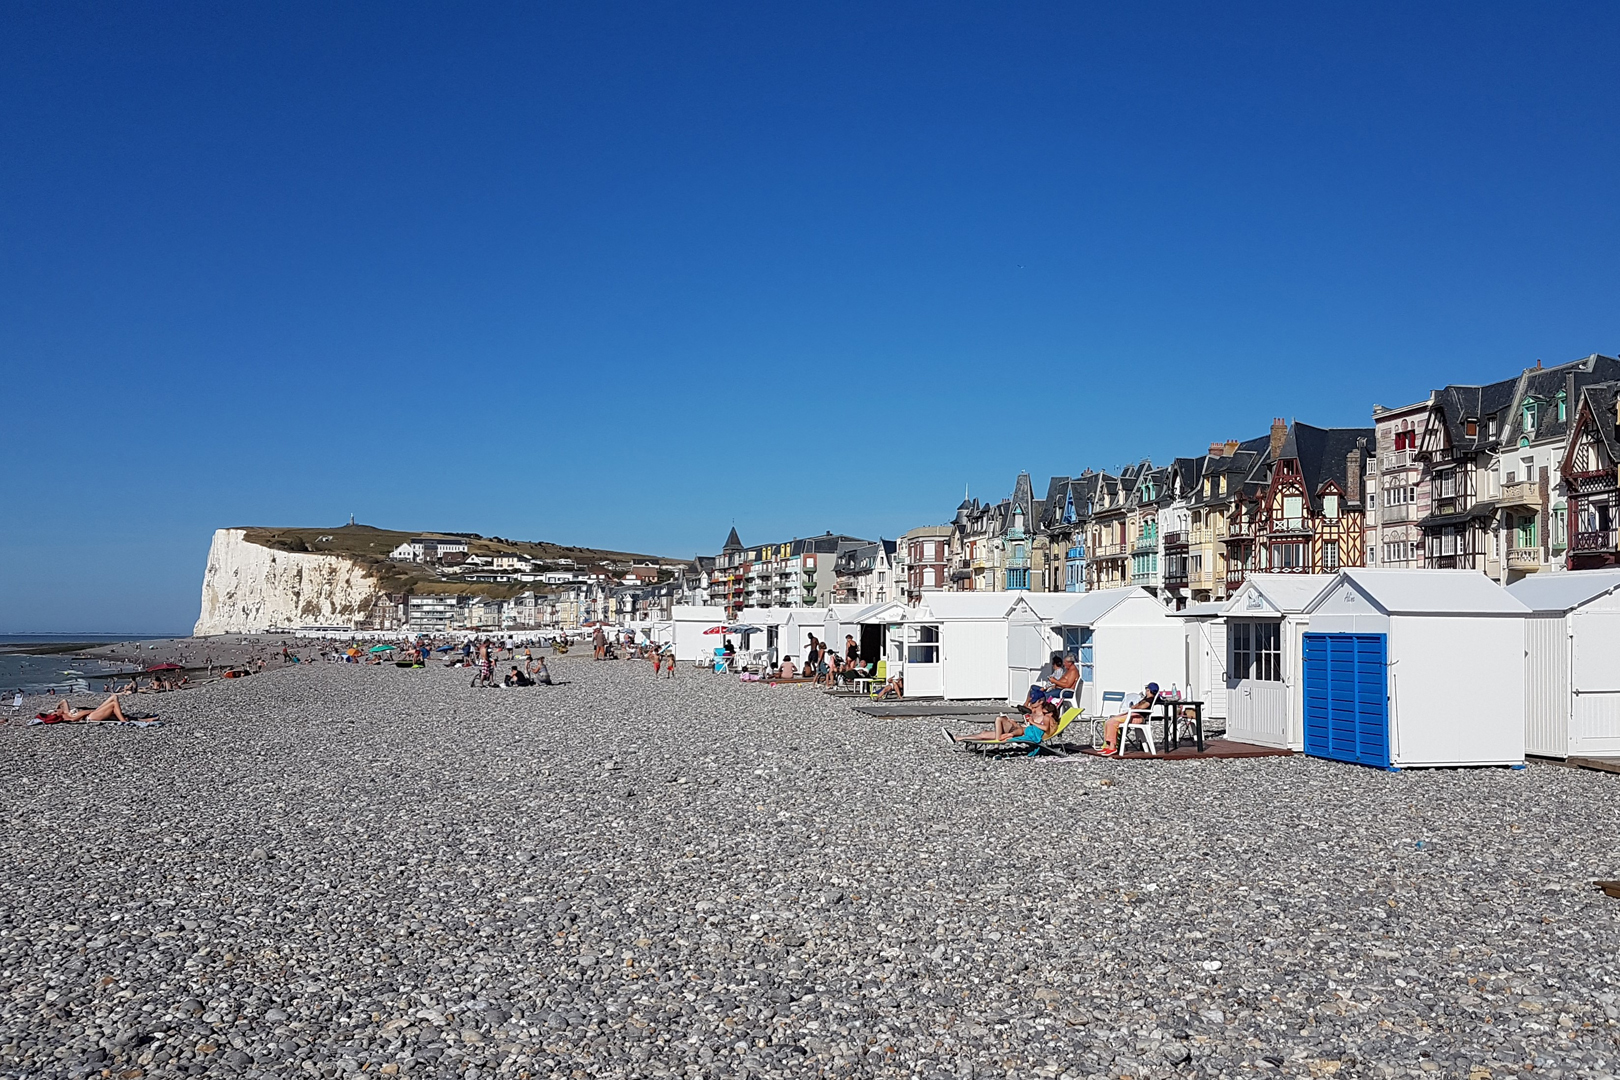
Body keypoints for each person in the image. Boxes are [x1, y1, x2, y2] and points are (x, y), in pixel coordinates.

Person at [943, 698, 1059, 746]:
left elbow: (1044, 729)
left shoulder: (1047, 718)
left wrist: (1031, 722)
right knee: (984, 733)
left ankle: (999, 738)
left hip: (1020, 731)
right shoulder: (1043, 716)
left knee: (999, 720)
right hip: (1021, 729)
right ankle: (957, 738)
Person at [1098, 683, 1160, 756]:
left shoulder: (1150, 699)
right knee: (1109, 721)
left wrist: (1135, 707)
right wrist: (1134, 707)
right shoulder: (1145, 698)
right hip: (1132, 715)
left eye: (1147, 689)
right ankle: (1108, 745)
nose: (1146, 691)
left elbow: (1143, 706)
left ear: (1149, 690)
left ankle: (1112, 747)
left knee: (1112, 722)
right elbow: (1136, 706)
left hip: (1137, 717)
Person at [40, 693, 145, 724]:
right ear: (56, 715)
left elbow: (64, 701)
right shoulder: (68, 716)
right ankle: (123, 720)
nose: (57, 710)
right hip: (91, 716)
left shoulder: (66, 712)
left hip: (94, 712)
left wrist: (57, 706)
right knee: (113, 705)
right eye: (55, 711)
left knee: (114, 697)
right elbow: (75, 718)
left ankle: (124, 718)